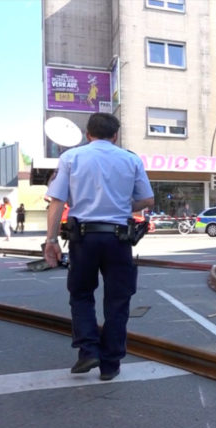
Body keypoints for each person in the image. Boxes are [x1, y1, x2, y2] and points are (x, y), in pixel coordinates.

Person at [43, 112, 154, 382]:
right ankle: (110, 364)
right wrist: (123, 205)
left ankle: (88, 350)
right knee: (118, 300)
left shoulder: (71, 157)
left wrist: (51, 240)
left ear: (88, 133)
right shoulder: (130, 159)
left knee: (81, 294)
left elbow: (56, 201)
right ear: (115, 135)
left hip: (84, 238)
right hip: (119, 240)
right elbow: (147, 199)